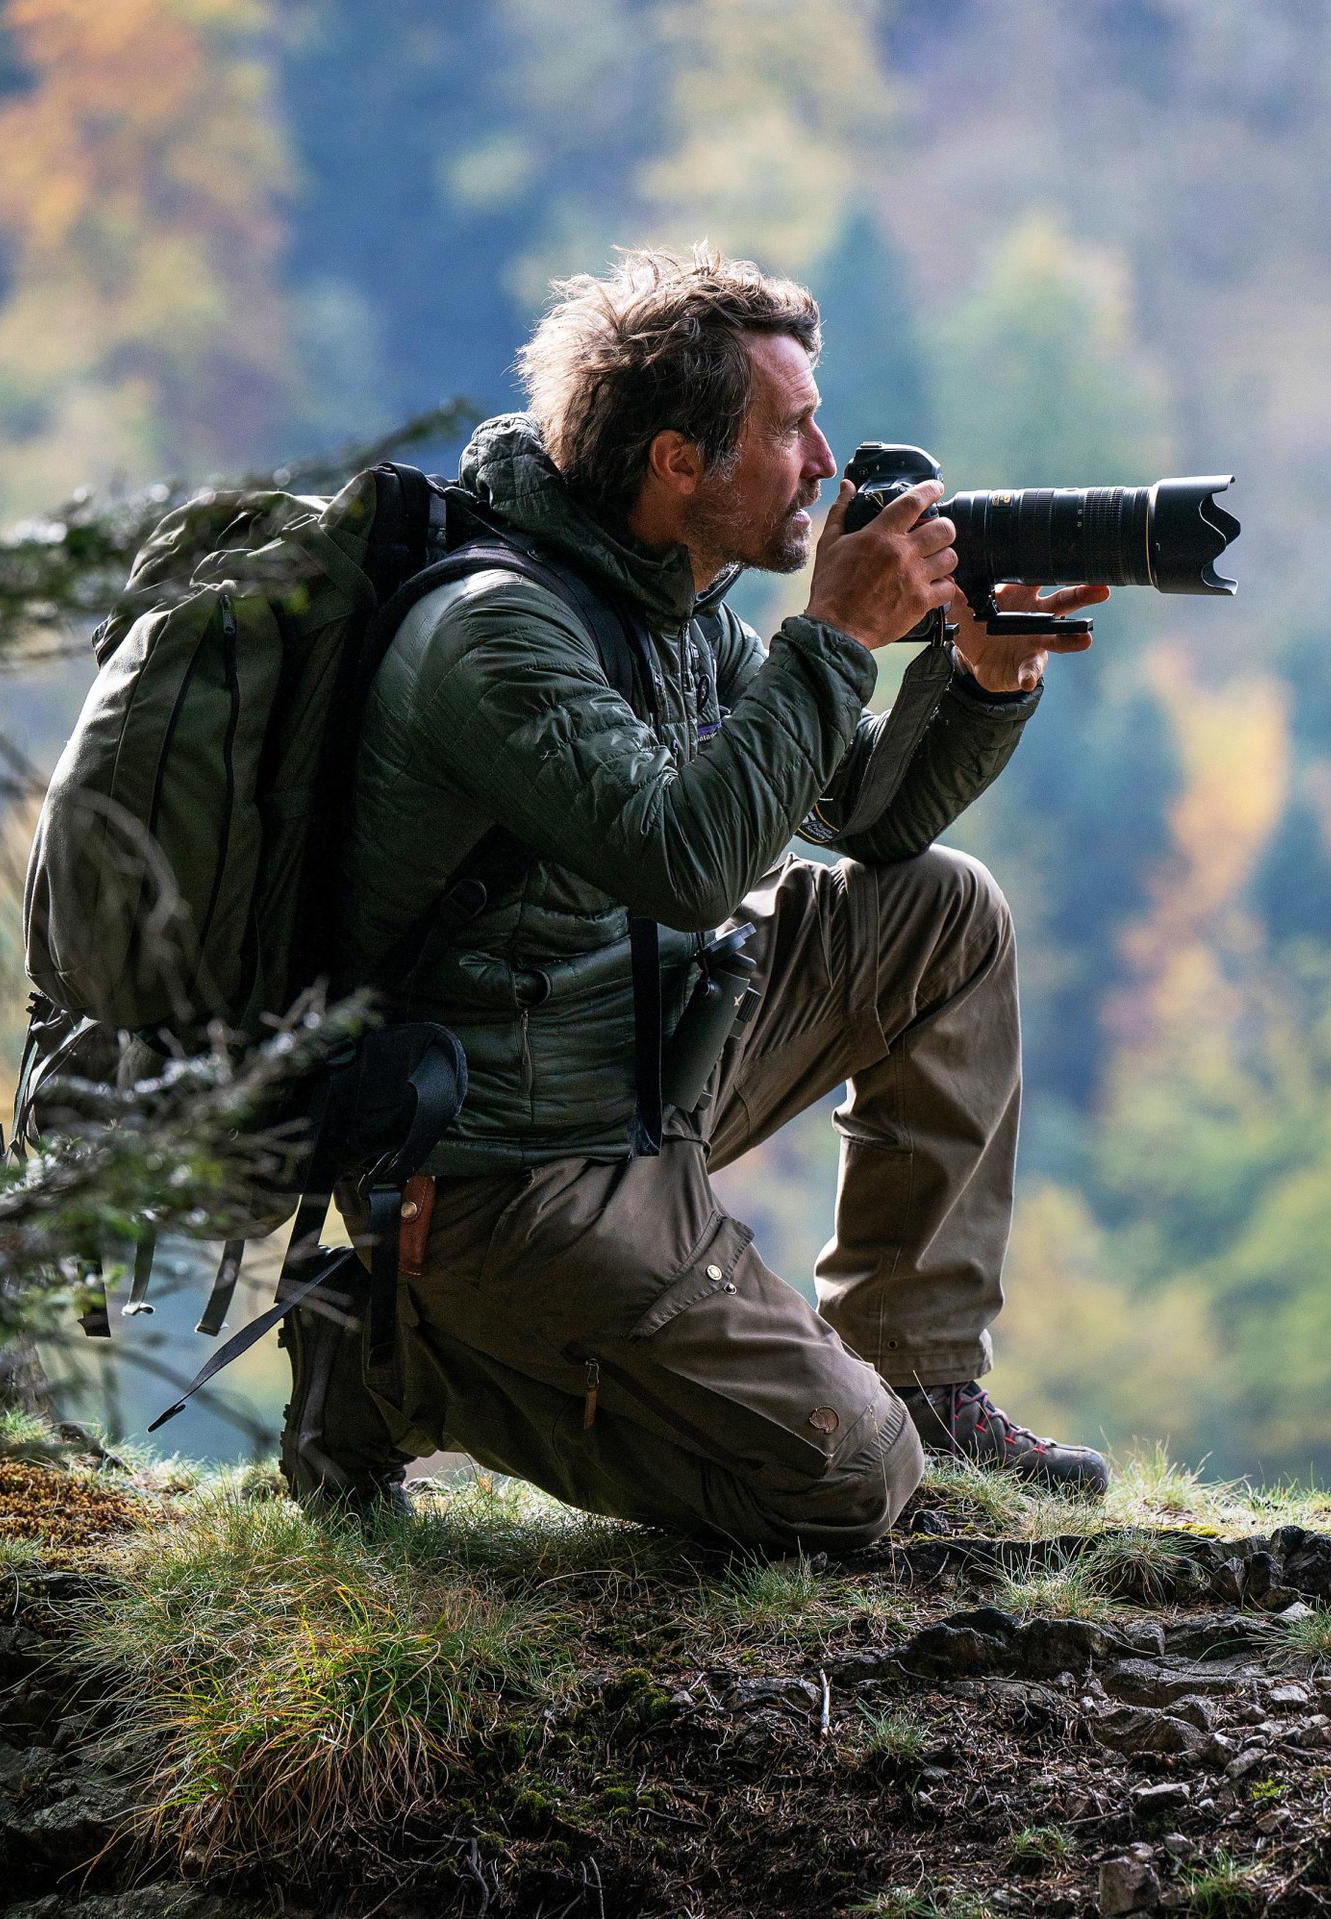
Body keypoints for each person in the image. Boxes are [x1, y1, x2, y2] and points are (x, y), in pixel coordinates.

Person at [296, 247, 1110, 1549]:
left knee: (938, 914)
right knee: (852, 1484)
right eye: (789, 430)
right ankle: (395, 1367)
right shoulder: (496, 633)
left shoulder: (673, 609)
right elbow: (686, 861)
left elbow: (871, 821)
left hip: (647, 1068)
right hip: (511, 1170)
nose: (824, 463)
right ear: (679, 460)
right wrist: (835, 636)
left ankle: (918, 1365)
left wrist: (982, 676)